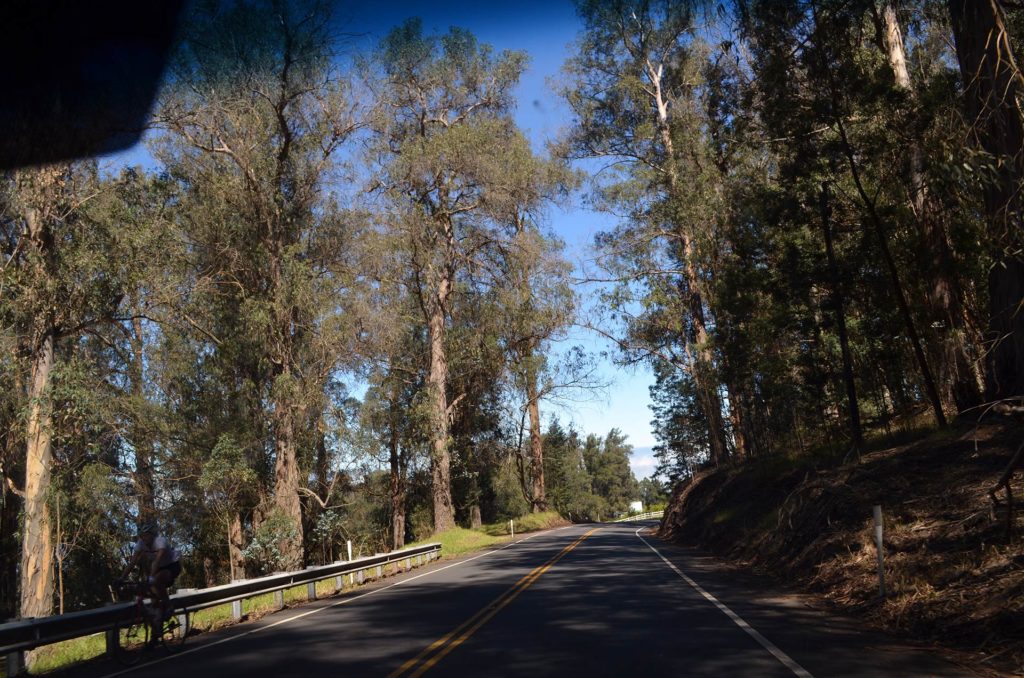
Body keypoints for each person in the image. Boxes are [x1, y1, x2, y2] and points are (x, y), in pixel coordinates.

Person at [120, 521, 181, 638]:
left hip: (172, 565)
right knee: (151, 600)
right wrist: (121, 578)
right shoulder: (140, 544)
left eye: (146, 536)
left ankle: (169, 606)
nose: (144, 539)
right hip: (158, 567)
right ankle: (155, 633)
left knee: (156, 581)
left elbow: (157, 560)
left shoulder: (160, 541)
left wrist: (152, 577)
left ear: (152, 535)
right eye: (141, 536)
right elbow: (132, 562)